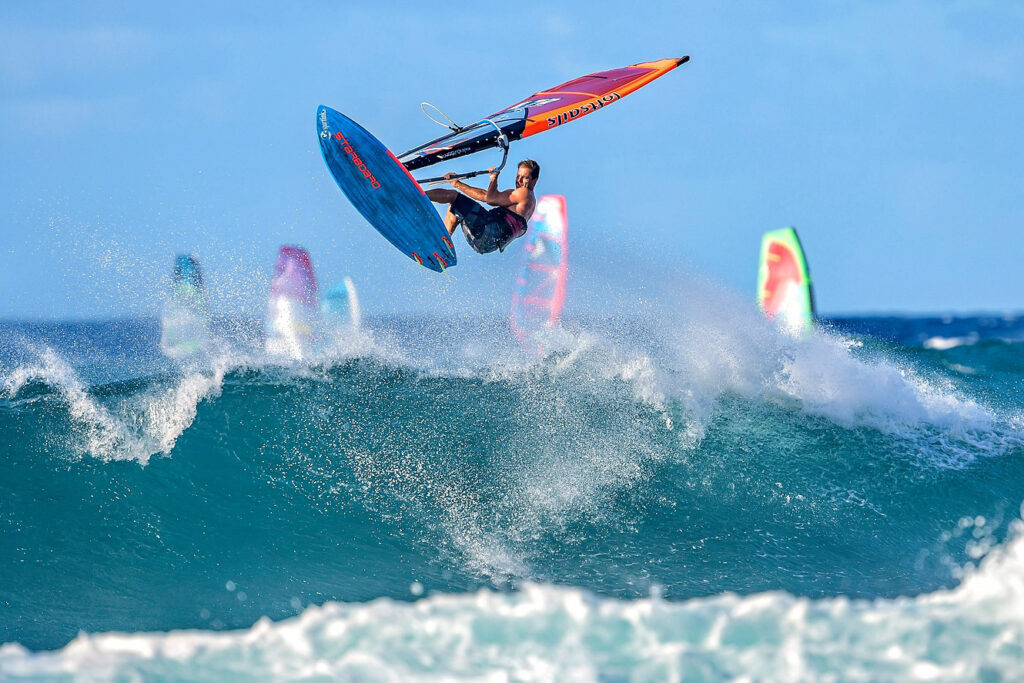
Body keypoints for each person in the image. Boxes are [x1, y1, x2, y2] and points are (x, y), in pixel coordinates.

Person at [425, 160, 539, 254]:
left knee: (453, 196)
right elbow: (485, 196)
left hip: (488, 230)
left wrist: (494, 179)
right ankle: (442, 245)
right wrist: (457, 184)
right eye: (518, 176)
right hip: (488, 244)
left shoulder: (524, 193)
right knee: (455, 208)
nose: (518, 180)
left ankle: (418, 195)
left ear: (534, 179)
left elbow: (490, 199)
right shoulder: (529, 202)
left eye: (525, 178)